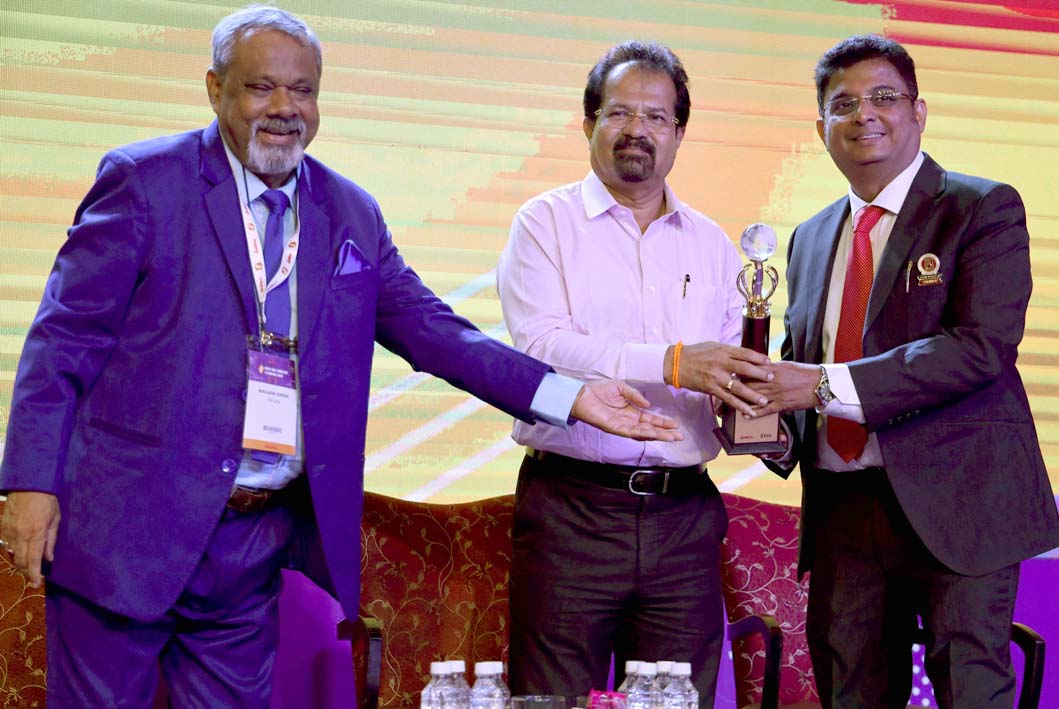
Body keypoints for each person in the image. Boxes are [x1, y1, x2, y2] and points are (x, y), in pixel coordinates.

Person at [0, 7, 684, 707]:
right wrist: (30, 483)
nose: (284, 108)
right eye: (260, 87)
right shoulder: (145, 182)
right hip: (126, 530)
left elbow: (436, 332)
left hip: (250, 547)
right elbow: (63, 341)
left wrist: (571, 395)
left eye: (302, 90)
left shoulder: (350, 212)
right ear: (214, 88)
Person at [749, 34, 1059, 708]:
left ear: (918, 112)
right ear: (821, 128)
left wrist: (820, 384)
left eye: (883, 97)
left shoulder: (980, 207)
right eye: (843, 103)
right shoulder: (808, 238)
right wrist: (759, 423)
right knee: (850, 694)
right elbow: (803, 368)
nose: (863, 114)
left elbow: (979, 347)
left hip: (959, 500)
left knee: (968, 693)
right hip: (842, 511)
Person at [496, 40, 773, 706]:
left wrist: (765, 407)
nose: (636, 130)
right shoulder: (544, 223)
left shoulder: (712, 244)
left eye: (655, 117)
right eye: (619, 112)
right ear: (588, 122)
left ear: (678, 133)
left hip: (684, 517)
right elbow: (542, 345)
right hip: (572, 511)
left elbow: (731, 370)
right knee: (552, 701)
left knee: (674, 701)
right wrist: (673, 361)